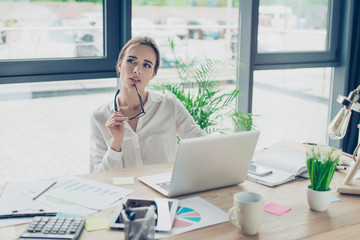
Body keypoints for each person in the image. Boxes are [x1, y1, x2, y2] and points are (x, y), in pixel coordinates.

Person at [89, 36, 206, 173]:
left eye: (146, 65)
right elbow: (99, 176)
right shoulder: (99, 117)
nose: (137, 70)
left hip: (166, 191)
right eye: (132, 61)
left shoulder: (169, 105)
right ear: (120, 65)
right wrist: (115, 143)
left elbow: (201, 142)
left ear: (153, 74)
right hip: (127, 192)